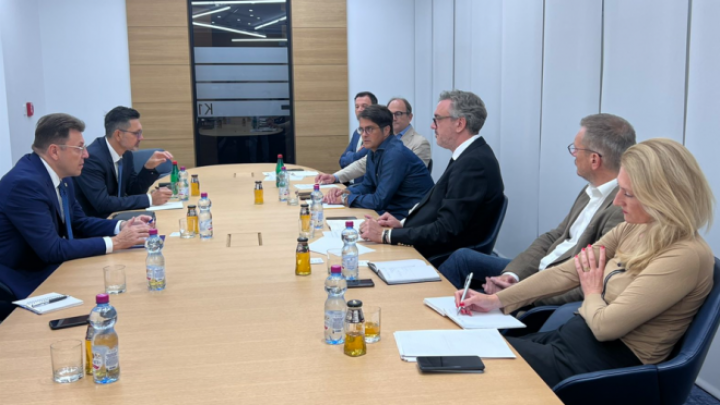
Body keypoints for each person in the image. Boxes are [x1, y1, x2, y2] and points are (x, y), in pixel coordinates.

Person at [455, 138, 715, 387]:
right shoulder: (636, 228)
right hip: (575, 339)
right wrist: (496, 300)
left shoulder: (685, 256)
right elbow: (568, 272)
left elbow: (604, 326)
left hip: (604, 366)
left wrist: (592, 291)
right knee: (470, 348)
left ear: (663, 198)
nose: (617, 201)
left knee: (473, 355)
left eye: (628, 194)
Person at [439, 113, 636, 307]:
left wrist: (518, 293)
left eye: (576, 149)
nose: (574, 155)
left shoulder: (621, 209)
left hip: (549, 288)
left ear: (594, 160)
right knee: (461, 258)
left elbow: (590, 283)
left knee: (472, 294)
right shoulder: (590, 189)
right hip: (538, 271)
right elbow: (554, 237)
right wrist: (512, 275)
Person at [0, 113, 151, 300]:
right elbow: (52, 250)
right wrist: (116, 242)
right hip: (21, 281)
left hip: (53, 268)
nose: (86, 155)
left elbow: (79, 222)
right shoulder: (25, 184)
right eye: (80, 148)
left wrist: (122, 226)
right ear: (55, 152)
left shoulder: (62, 175)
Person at [359, 90, 504, 259]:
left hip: (442, 258)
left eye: (437, 119)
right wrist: (402, 224)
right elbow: (438, 209)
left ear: (459, 124)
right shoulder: (468, 156)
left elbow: (446, 230)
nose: (432, 126)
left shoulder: (473, 164)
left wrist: (386, 235)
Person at [323, 105, 434, 220]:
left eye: (369, 129)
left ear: (386, 130)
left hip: (411, 218)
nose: (364, 134)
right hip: (390, 211)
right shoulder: (374, 150)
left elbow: (379, 200)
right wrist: (345, 192)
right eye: (361, 129)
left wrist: (345, 199)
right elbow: (368, 186)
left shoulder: (395, 154)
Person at [74, 106, 173, 219]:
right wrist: (150, 199)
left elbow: (133, 192)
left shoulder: (126, 153)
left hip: (119, 215)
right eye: (136, 133)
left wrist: (148, 168)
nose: (141, 138)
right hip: (98, 221)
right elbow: (103, 204)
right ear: (118, 135)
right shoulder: (92, 158)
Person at [316, 98, 431, 184]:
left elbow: (411, 179)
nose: (393, 118)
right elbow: (362, 164)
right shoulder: (382, 139)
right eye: (390, 114)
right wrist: (334, 177)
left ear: (410, 117)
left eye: (398, 114)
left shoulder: (420, 143)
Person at [337, 91, 377, 183]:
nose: (360, 110)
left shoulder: (376, 133)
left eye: (364, 106)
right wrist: (354, 156)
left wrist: (351, 155)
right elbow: (342, 161)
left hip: (364, 186)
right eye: (357, 107)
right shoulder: (357, 132)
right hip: (348, 183)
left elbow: (360, 159)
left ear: (375, 109)